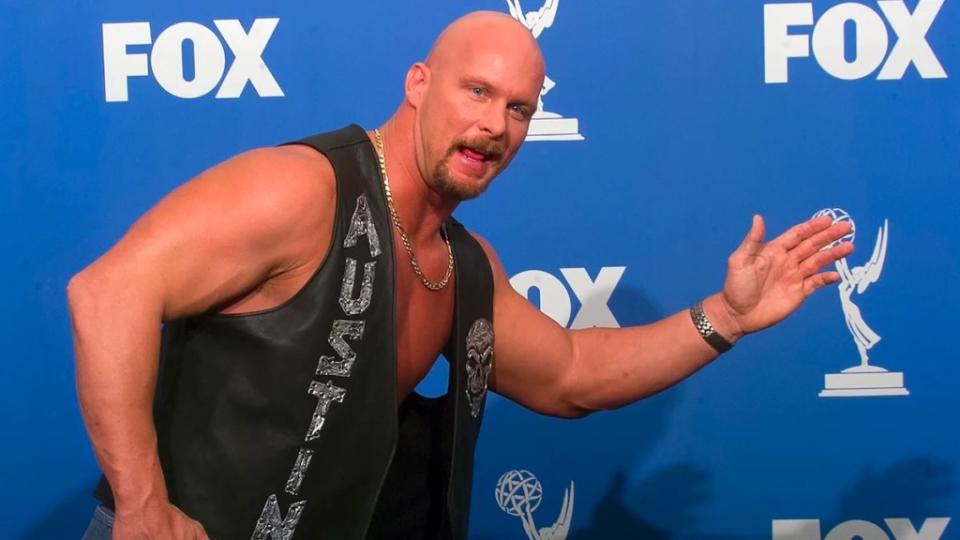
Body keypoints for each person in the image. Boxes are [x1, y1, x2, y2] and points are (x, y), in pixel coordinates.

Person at [68, 10, 853, 540]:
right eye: (476, 91)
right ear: (419, 84)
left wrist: (727, 315)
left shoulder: (463, 267)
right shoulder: (303, 189)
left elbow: (571, 375)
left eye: (518, 108)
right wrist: (142, 507)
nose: (493, 124)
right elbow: (109, 293)